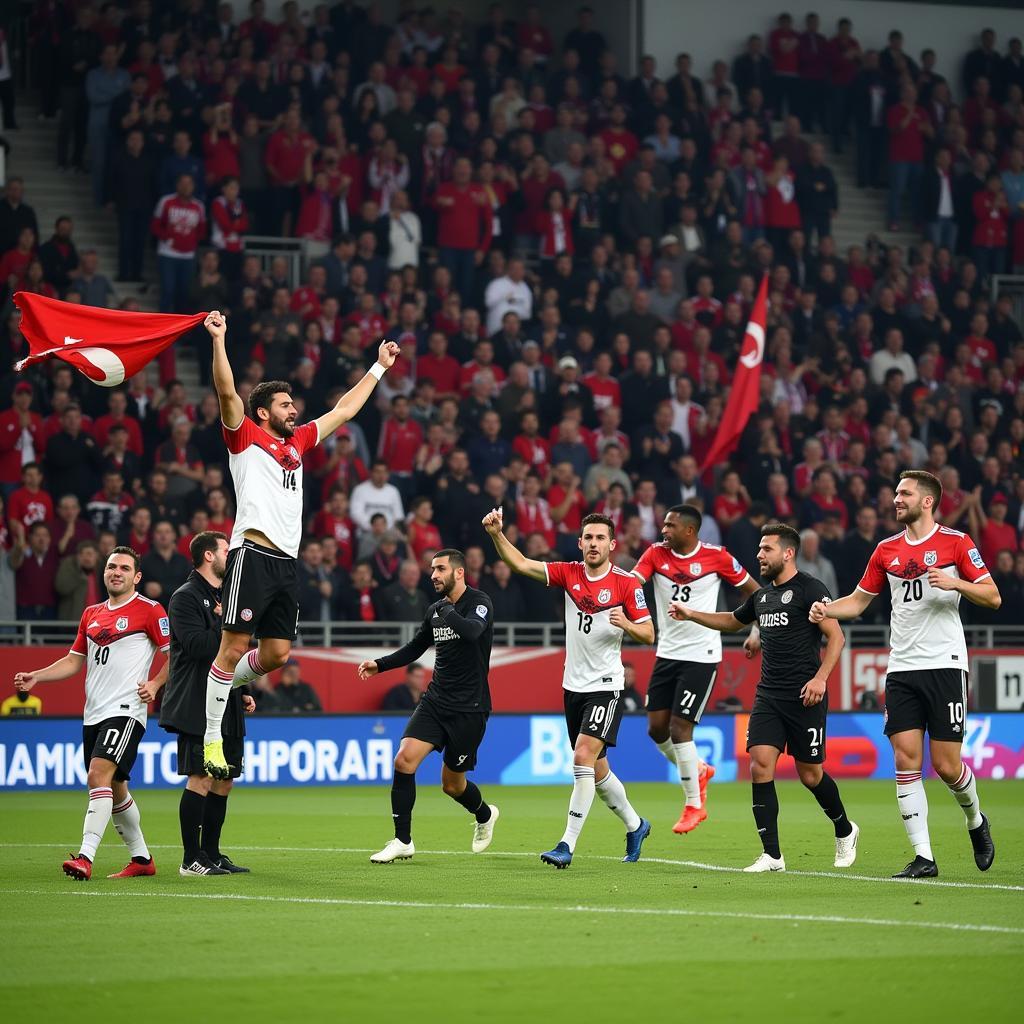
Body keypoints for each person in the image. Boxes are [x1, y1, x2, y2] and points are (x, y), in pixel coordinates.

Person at [199, 310, 398, 780]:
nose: (295, 411)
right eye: (286, 405)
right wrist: (220, 340)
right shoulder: (244, 436)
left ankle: (221, 684)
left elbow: (345, 410)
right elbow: (227, 392)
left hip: (287, 563)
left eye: (294, 405)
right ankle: (211, 738)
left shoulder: (300, 443)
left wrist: (379, 368)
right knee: (231, 648)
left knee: (276, 657)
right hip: (252, 553)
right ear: (264, 412)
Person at [810, 470, 998, 878]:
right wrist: (827, 607)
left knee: (947, 766)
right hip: (902, 669)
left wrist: (956, 583)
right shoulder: (885, 549)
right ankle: (924, 857)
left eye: (904, 493)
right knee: (905, 760)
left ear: (927, 501)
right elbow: (859, 602)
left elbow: (993, 595)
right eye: (896, 493)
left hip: (945, 664)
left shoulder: (956, 542)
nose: (896, 499)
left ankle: (976, 821)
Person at [670, 523, 857, 873]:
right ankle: (772, 855)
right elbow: (732, 620)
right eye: (758, 549)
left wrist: (820, 679)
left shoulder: (810, 589)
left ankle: (845, 830)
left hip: (805, 696)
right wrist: (692, 613)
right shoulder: (762, 596)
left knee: (810, 775)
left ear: (788, 553)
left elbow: (836, 638)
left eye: (766, 549)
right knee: (759, 766)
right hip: (769, 695)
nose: (759, 555)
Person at [484, 509, 652, 868]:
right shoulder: (568, 573)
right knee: (598, 768)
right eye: (588, 538)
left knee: (581, 757)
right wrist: (497, 535)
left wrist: (629, 625)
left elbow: (650, 633)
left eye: (600, 538)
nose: (593, 544)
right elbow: (522, 564)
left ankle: (566, 844)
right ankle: (636, 825)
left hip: (606, 686)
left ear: (612, 544)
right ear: (580, 543)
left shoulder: (627, 585)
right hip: (572, 686)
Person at [13, 546, 169, 880]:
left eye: (124, 568)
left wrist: (155, 685)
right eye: (112, 566)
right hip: (94, 712)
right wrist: (37, 675)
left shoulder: (150, 611)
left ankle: (85, 857)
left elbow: (177, 655)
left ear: (136, 576)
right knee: (116, 787)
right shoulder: (91, 613)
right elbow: (73, 660)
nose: (116, 572)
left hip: (126, 710)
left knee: (98, 776)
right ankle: (142, 859)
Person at [358, 549, 499, 864]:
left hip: (469, 708)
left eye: (440, 569)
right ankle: (402, 840)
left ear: (458, 572)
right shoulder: (435, 609)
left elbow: (473, 632)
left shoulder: (479, 602)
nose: (433, 575)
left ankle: (485, 814)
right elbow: (415, 647)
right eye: (432, 569)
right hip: (435, 701)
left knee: (452, 785)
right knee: (403, 761)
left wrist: (447, 611)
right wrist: (379, 665)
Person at [631, 505, 760, 833]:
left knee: (679, 730)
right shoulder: (655, 554)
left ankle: (694, 805)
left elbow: (757, 593)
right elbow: (633, 583)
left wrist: (756, 629)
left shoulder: (718, 557)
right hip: (667, 653)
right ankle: (698, 769)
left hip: (702, 655)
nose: (663, 531)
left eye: (670, 526)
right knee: (656, 731)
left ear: (689, 531)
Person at [160, 531, 255, 877]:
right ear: (209, 556)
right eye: (227, 550)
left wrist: (242, 689)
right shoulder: (185, 597)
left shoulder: (225, 597)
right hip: (195, 701)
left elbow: (239, 650)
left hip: (225, 696)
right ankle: (190, 859)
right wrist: (223, 623)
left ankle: (212, 854)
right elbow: (198, 646)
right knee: (200, 776)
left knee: (224, 778)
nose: (231, 555)